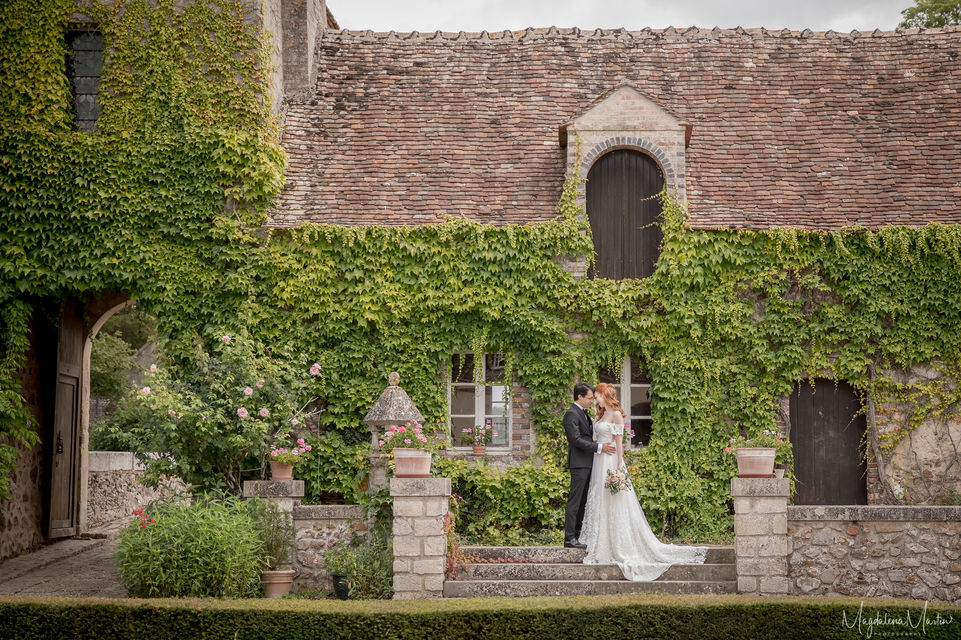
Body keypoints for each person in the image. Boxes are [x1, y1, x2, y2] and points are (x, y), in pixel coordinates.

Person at [580, 382, 708, 580]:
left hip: (611, 460)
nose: (595, 399)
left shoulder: (615, 414)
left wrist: (618, 467)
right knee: (600, 496)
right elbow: (598, 438)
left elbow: (620, 443)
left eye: (597, 395)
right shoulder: (600, 414)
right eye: (594, 396)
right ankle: (600, 541)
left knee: (614, 500)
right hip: (599, 459)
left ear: (605, 395)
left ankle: (619, 545)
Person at [562, 382, 616, 549]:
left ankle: (578, 535)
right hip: (579, 464)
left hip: (588, 462)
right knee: (575, 501)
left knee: (584, 501)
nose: (592, 401)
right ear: (579, 397)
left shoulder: (583, 413)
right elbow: (576, 440)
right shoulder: (571, 414)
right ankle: (569, 538)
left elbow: (584, 436)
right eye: (589, 398)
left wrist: (594, 442)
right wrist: (599, 447)